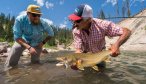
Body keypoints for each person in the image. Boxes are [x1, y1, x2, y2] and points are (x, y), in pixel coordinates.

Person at [68, 4, 131, 70]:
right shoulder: (76, 30)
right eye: (73, 19)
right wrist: (75, 62)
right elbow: (78, 50)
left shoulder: (102, 25)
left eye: (77, 20)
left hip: (100, 57)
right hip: (84, 59)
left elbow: (127, 32)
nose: (74, 23)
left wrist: (117, 44)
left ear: (88, 19)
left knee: (102, 77)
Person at [5, 4, 54, 69]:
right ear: (28, 14)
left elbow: (51, 34)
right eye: (34, 15)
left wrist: (42, 43)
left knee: (36, 63)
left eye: (39, 15)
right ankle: (9, 69)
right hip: (24, 40)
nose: (37, 17)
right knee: (16, 48)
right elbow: (17, 37)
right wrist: (29, 47)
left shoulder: (43, 23)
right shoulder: (20, 20)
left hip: (37, 43)